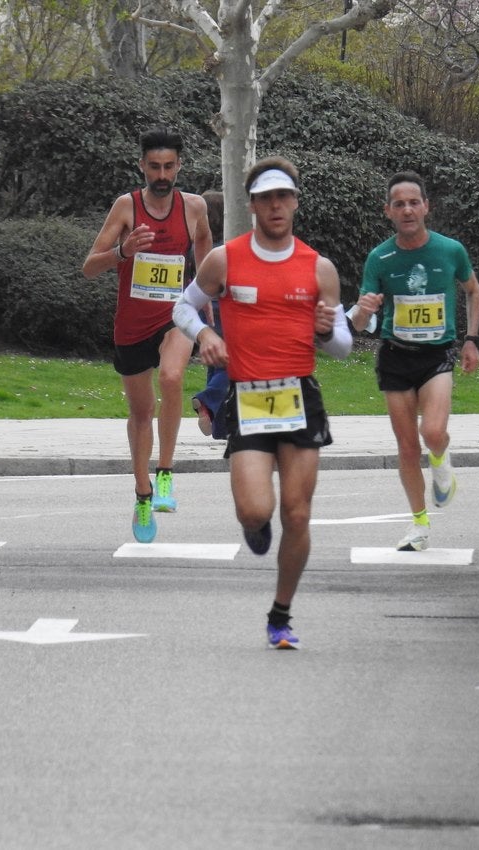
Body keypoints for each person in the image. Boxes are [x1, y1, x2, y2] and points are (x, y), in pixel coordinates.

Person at [173, 157, 352, 650]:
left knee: (297, 514)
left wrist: (327, 332)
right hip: (247, 398)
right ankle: (255, 527)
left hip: (300, 397)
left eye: (284, 196)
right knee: (256, 510)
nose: (276, 206)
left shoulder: (320, 268)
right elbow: (182, 306)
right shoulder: (225, 260)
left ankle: (281, 614)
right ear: (252, 205)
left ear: (294, 202)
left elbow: (341, 345)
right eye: (266, 198)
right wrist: (206, 332)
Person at [83, 127, 213, 543]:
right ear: (142, 166)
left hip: (176, 314)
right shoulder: (126, 207)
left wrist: (205, 293)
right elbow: (88, 266)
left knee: (173, 377)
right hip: (132, 323)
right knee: (142, 412)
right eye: (154, 166)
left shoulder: (193, 207)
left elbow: (205, 245)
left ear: (179, 166)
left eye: (169, 166)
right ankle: (142, 492)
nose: (162, 174)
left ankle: (166, 474)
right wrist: (123, 252)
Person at [349, 170, 479, 553]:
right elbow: (360, 323)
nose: (407, 210)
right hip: (395, 356)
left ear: (426, 207)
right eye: (399, 204)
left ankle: (442, 464)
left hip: (437, 355)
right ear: (388, 211)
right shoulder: (380, 258)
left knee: (433, 433)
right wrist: (363, 309)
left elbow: (473, 292)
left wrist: (471, 340)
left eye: (413, 202)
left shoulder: (450, 250)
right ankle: (419, 524)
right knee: (407, 448)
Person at [190, 188, 229, 439]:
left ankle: (219, 425)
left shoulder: (197, 247)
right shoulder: (226, 249)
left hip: (203, 311)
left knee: (214, 362)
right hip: (224, 309)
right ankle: (207, 400)